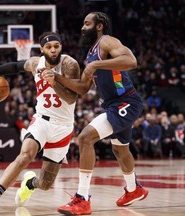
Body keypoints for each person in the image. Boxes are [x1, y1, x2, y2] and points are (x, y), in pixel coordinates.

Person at [41, 12, 149, 215]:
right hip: (112, 105)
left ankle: (82, 199)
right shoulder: (90, 53)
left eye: (86, 23)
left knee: (85, 138)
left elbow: (131, 60)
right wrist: (56, 78)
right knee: (120, 151)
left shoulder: (107, 41)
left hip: (126, 101)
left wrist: (98, 64)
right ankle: (134, 190)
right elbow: (82, 87)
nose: (82, 27)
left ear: (99, 26)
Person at [0, 32, 80, 215]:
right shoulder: (35, 63)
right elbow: (15, 66)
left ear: (61, 47)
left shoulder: (70, 65)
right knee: (25, 155)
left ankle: (29, 183)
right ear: (42, 49)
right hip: (42, 120)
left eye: (56, 46)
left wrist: (54, 82)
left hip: (63, 127)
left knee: (46, 185)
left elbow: (71, 98)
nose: (53, 50)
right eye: (49, 47)